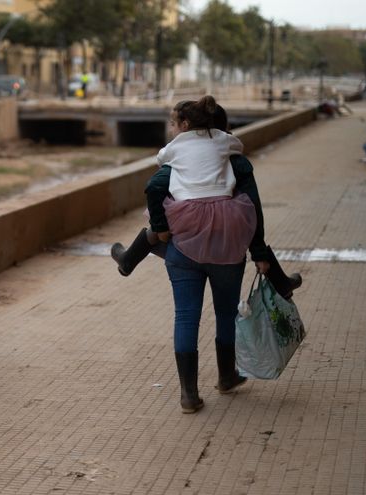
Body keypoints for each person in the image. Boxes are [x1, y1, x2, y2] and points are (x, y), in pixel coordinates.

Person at [112, 97, 301, 414]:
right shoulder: (236, 162)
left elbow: (154, 186)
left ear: (189, 127)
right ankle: (227, 377)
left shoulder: (176, 159)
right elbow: (252, 211)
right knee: (226, 314)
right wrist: (259, 253)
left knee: (186, 317)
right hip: (228, 250)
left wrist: (160, 228)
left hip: (184, 249)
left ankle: (189, 396)